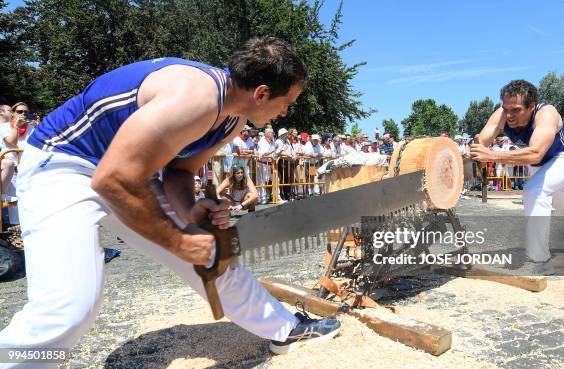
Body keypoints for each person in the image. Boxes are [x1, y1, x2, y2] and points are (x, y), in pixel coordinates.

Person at [0, 37, 340, 367]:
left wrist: (191, 214)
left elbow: (180, 171)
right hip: (63, 164)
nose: (286, 112)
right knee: (68, 309)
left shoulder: (233, 118)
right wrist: (177, 240)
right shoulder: (194, 97)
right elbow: (112, 179)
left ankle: (285, 329)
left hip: (128, 171)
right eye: (287, 102)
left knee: (210, 252)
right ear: (262, 93)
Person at [470, 79, 564, 274]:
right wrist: (477, 153)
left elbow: (535, 153)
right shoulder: (502, 113)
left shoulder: (546, 113)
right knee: (562, 201)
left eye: (516, 110)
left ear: (531, 105)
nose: (509, 115)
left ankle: (539, 260)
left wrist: (491, 155)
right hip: (539, 163)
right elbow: (483, 139)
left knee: (534, 190)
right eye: (506, 108)